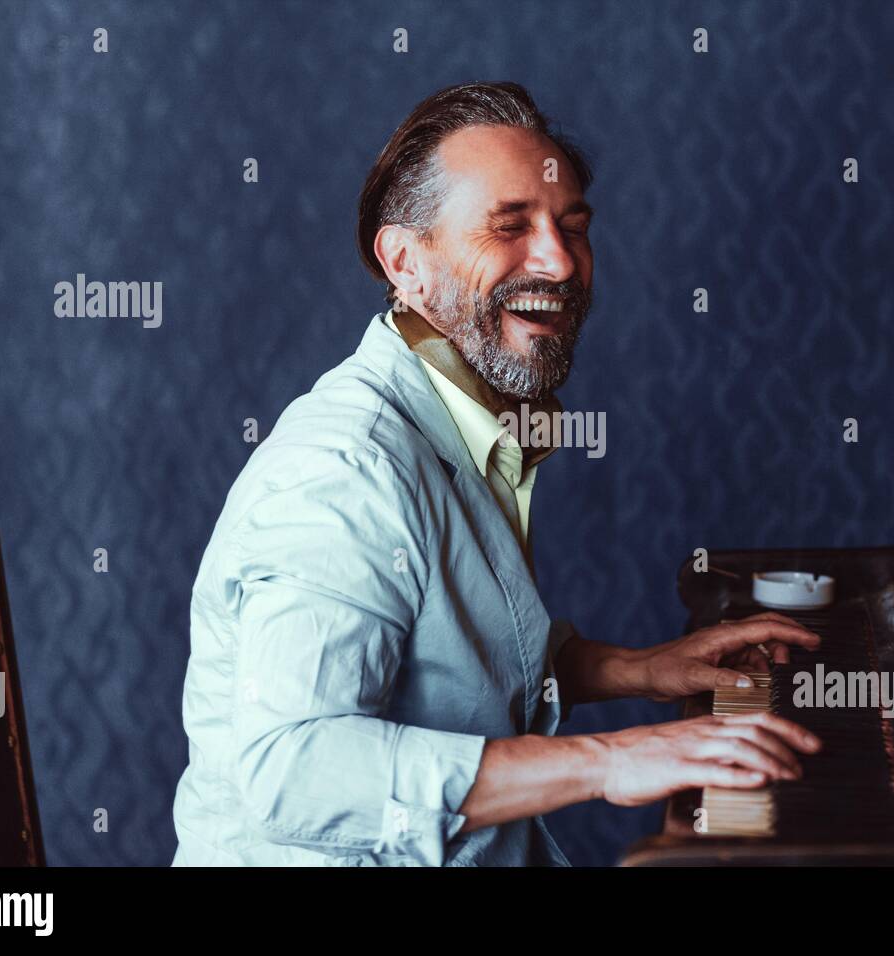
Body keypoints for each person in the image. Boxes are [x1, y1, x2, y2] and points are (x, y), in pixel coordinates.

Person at [171, 81, 821, 867]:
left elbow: (457, 665)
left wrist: (641, 670)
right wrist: (611, 761)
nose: (557, 260)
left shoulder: (470, 414)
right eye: (509, 227)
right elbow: (293, 770)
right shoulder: (342, 470)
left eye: (571, 228)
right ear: (406, 262)